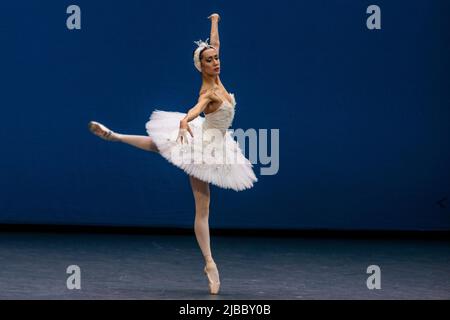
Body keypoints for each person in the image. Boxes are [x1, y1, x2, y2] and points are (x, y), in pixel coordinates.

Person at [88, 13, 257, 295]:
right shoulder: (209, 91)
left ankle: (115, 136)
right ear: (200, 67)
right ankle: (210, 263)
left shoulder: (218, 77)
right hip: (203, 143)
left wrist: (215, 21)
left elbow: (214, 43)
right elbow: (197, 107)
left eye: (216, 58)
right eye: (210, 60)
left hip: (218, 141)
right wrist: (184, 120)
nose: (216, 62)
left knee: (160, 148)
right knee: (201, 208)